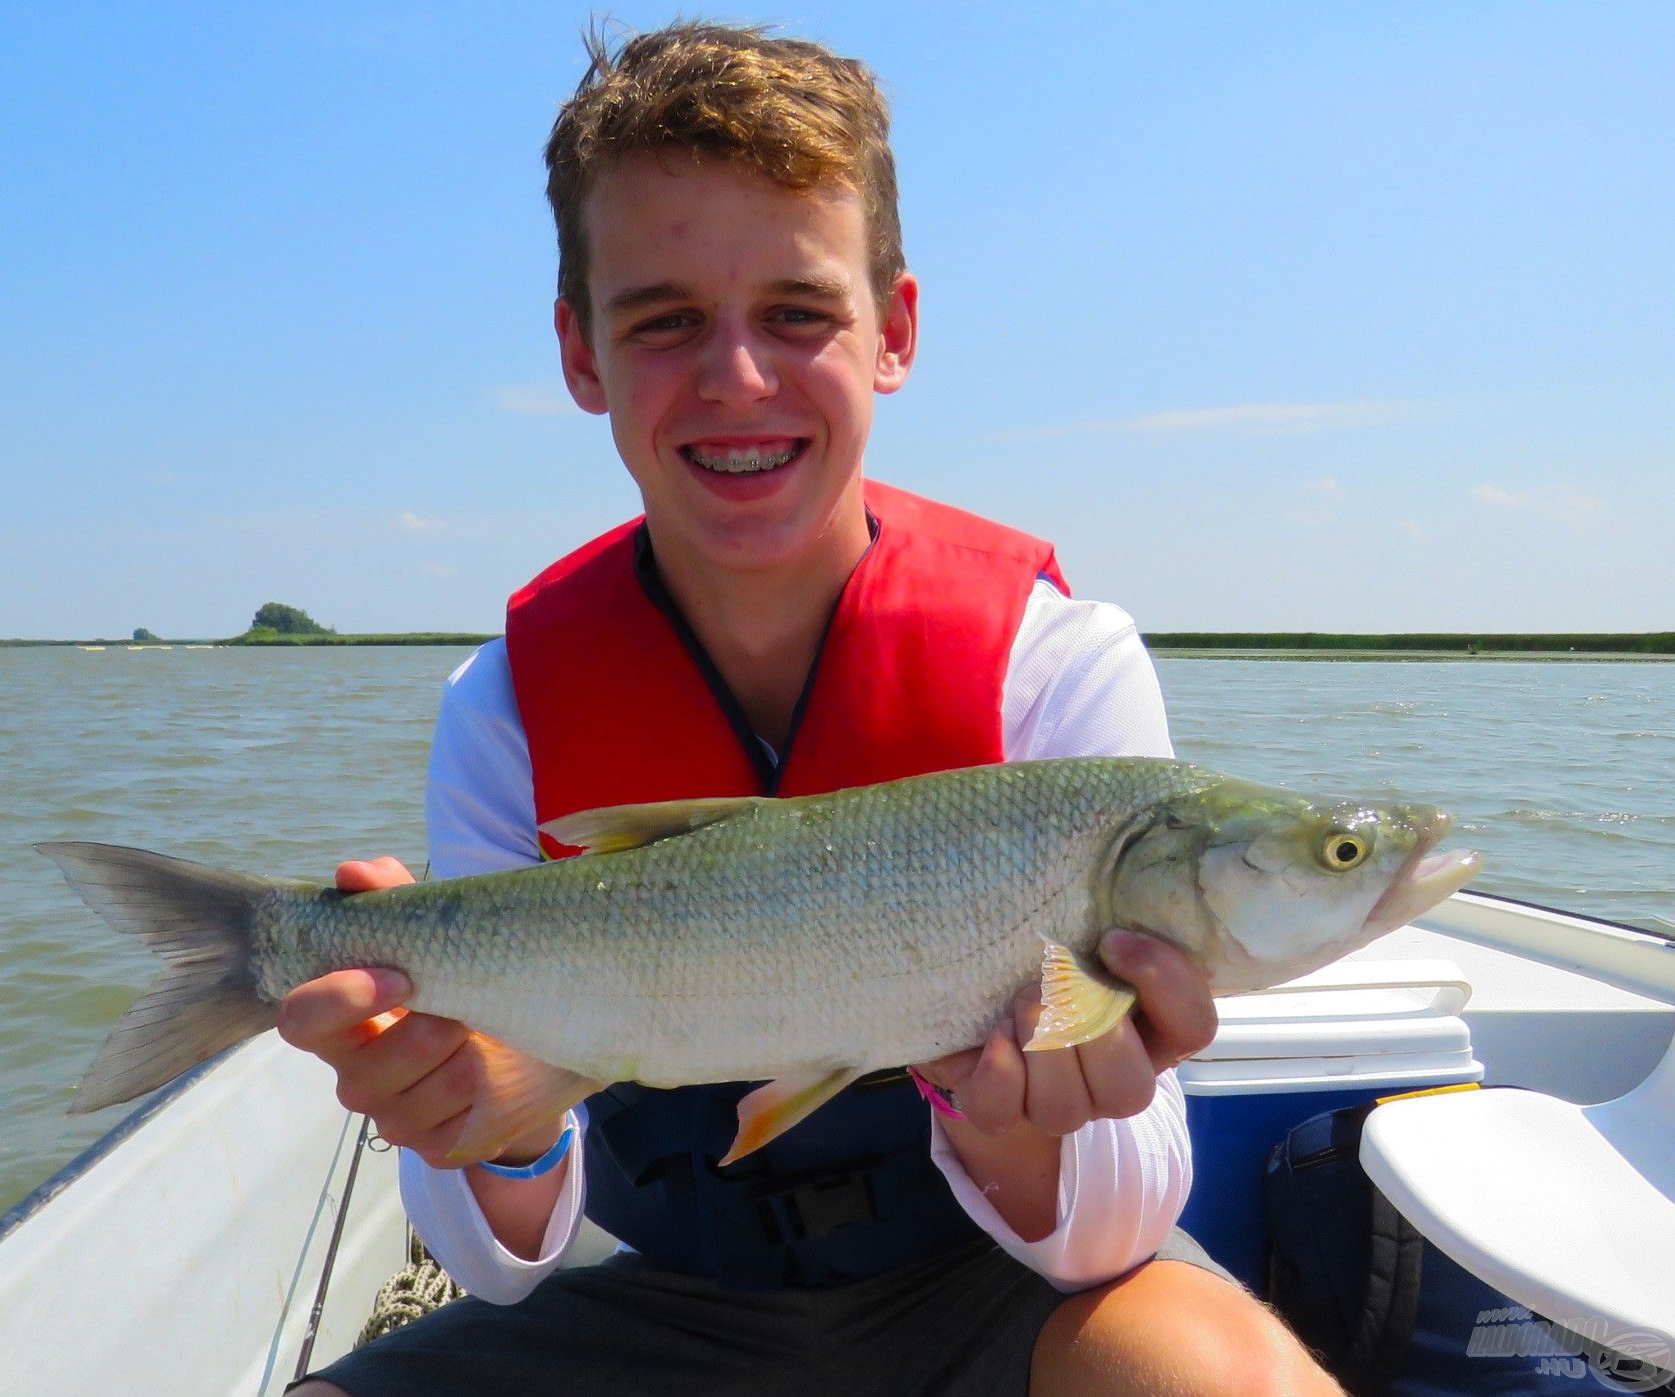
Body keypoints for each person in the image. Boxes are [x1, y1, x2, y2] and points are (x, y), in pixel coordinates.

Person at [284, 21, 1338, 1396]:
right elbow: (504, 1259)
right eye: (665, 318)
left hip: (996, 1293)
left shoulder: (1057, 665)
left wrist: (1026, 1132)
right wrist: (499, 1133)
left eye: (798, 312)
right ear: (581, 351)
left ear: (894, 329)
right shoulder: (502, 711)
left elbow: (1117, 1233)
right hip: (666, 1305)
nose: (736, 378)